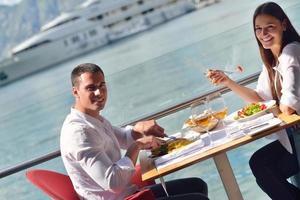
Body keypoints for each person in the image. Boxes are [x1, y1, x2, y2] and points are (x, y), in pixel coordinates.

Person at [60, 63, 209, 200]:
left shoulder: (93, 119)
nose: (99, 92)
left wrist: (140, 129)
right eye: (91, 88)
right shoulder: (79, 133)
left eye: (102, 85)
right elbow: (113, 182)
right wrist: (137, 146)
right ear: (76, 92)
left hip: (131, 193)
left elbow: (124, 137)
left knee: (198, 185)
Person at [206, 2, 300, 199]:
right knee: (260, 165)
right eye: (258, 29)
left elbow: (289, 106)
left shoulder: (291, 53)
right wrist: (228, 82)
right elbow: (260, 99)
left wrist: (275, 107)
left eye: (269, 27)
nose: (263, 33)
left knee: (264, 168)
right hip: (294, 135)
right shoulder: (273, 61)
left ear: (284, 24)